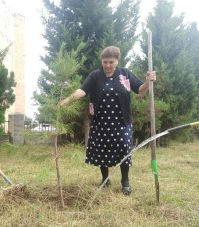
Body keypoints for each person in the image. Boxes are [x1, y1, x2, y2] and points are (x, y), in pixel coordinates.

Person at [59, 46, 156, 195]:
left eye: (111, 62)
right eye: (105, 62)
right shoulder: (95, 76)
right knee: (101, 149)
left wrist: (148, 81)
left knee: (124, 147)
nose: (108, 65)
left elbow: (139, 89)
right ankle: (105, 179)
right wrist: (67, 100)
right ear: (102, 61)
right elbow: (82, 90)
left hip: (122, 121)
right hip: (100, 121)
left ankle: (125, 181)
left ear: (117, 61)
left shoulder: (125, 73)